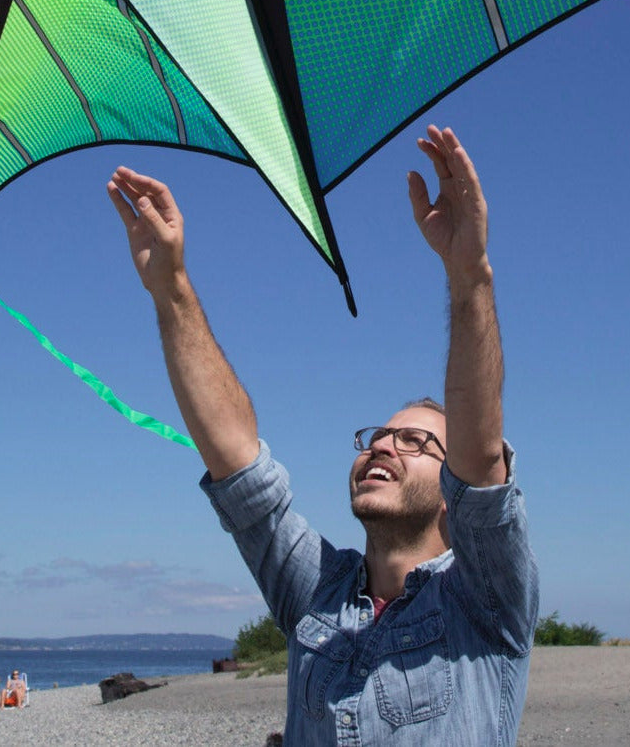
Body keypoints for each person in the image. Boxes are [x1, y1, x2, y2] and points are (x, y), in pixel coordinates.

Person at [107, 124, 538, 745]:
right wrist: (170, 286)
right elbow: (239, 469)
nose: (383, 446)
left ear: (449, 490)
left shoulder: (484, 599)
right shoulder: (318, 590)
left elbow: (479, 462)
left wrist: (468, 274)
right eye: (377, 437)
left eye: (415, 442)